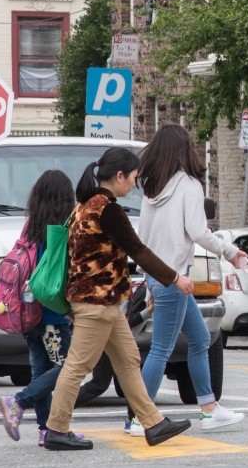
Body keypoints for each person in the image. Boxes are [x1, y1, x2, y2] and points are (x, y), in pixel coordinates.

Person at [43, 147, 194, 450]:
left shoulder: (83, 205)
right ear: (120, 176)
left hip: (102, 302)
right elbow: (137, 249)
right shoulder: (106, 208)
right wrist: (175, 278)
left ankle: (153, 424)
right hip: (97, 302)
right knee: (77, 367)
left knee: (128, 360)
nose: (134, 185)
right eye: (134, 178)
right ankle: (56, 429)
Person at [135, 125, 247, 434]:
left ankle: (209, 409)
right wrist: (231, 251)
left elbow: (142, 240)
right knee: (161, 349)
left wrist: (149, 282)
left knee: (200, 339)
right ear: (185, 150)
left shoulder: (151, 188)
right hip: (175, 279)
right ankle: (139, 417)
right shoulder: (189, 185)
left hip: (159, 276)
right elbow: (198, 233)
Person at [0, 170, 80, 447]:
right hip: (53, 316)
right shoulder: (61, 230)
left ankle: (46, 430)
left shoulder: (31, 226)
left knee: (41, 371)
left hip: (28, 313)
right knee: (70, 367)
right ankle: (18, 402)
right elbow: (57, 277)